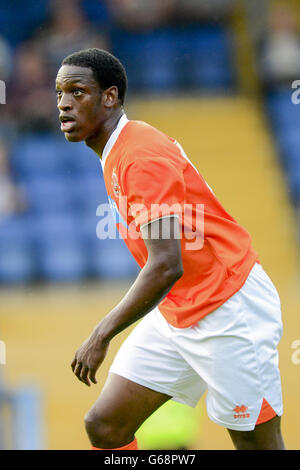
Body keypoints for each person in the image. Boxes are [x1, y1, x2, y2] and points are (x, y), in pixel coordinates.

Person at [55, 48, 285, 450]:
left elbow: (166, 265)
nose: (63, 104)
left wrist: (101, 334)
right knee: (106, 425)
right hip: (180, 309)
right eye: (59, 93)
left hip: (227, 307)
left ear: (109, 97)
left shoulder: (140, 155)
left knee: (257, 445)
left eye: (77, 91)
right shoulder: (119, 151)